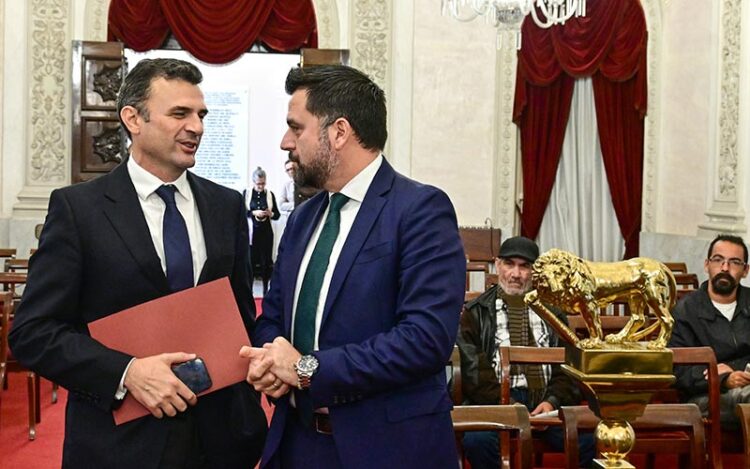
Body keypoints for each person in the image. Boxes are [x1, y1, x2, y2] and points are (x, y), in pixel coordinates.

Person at [9, 58, 267, 468]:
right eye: (180, 113)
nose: (197, 127)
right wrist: (126, 373)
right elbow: (34, 333)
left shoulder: (226, 205)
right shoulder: (80, 210)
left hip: (221, 440)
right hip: (122, 445)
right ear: (133, 118)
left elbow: (239, 314)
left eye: (201, 114)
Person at [241, 65, 466, 469]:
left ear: (338, 132)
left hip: (386, 449)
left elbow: (424, 340)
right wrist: (272, 363)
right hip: (297, 443)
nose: (285, 142)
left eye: (297, 127)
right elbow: (272, 316)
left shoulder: (419, 211)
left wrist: (305, 369)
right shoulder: (302, 219)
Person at [456, 236, 594, 468]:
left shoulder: (553, 314)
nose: (516, 274)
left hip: (544, 404)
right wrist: (507, 405)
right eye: (510, 264)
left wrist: (551, 402)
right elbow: (474, 372)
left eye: (525, 266)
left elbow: (569, 366)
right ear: (498, 265)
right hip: (496, 402)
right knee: (477, 441)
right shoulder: (475, 312)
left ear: (535, 271)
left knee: (592, 441)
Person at [669, 234, 750, 428]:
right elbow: (677, 370)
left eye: (734, 262)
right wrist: (721, 378)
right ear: (707, 265)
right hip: (705, 395)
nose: (725, 268)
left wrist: (736, 370)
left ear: (745, 270)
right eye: (718, 260)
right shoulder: (686, 310)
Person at [247, 166, 280, 294]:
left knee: (266, 262)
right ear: (254, 182)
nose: (261, 186)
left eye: (263, 183)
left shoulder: (270, 194)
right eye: (258, 184)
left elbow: (277, 215)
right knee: (250, 261)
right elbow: (243, 212)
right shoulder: (248, 194)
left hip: (266, 231)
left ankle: (266, 289)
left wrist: (269, 213)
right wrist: (254, 212)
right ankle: (249, 290)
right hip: (252, 232)